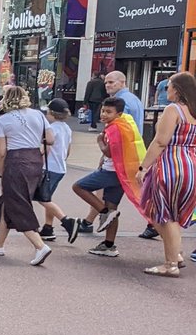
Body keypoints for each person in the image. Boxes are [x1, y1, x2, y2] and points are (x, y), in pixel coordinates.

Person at [0, 86, 54, 265]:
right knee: (8, 201)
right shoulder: (38, 115)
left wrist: (1, 174)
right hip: (35, 159)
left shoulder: (2, 121)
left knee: (17, 203)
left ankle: (39, 245)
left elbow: (1, 152)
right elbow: (50, 139)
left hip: (15, 162)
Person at [138, 72, 196, 276]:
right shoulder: (193, 111)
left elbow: (161, 141)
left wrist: (143, 167)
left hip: (171, 164)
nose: (166, 90)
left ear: (177, 90)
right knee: (168, 213)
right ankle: (175, 254)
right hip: (191, 163)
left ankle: (170, 264)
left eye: (168, 86)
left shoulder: (174, 109)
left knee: (166, 215)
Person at [73, 98, 132, 257]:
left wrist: (99, 141)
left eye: (108, 112)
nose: (104, 114)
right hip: (121, 172)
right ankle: (109, 244)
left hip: (111, 172)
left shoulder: (114, 128)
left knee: (78, 186)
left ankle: (103, 211)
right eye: (103, 111)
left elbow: (109, 152)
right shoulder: (122, 125)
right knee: (113, 208)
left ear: (119, 114)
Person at [36, 99, 81, 244]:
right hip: (60, 167)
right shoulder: (67, 128)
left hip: (49, 167)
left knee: (42, 198)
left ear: (52, 113)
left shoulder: (51, 129)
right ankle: (48, 228)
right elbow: (68, 150)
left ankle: (67, 221)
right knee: (47, 197)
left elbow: (46, 149)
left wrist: (37, 162)